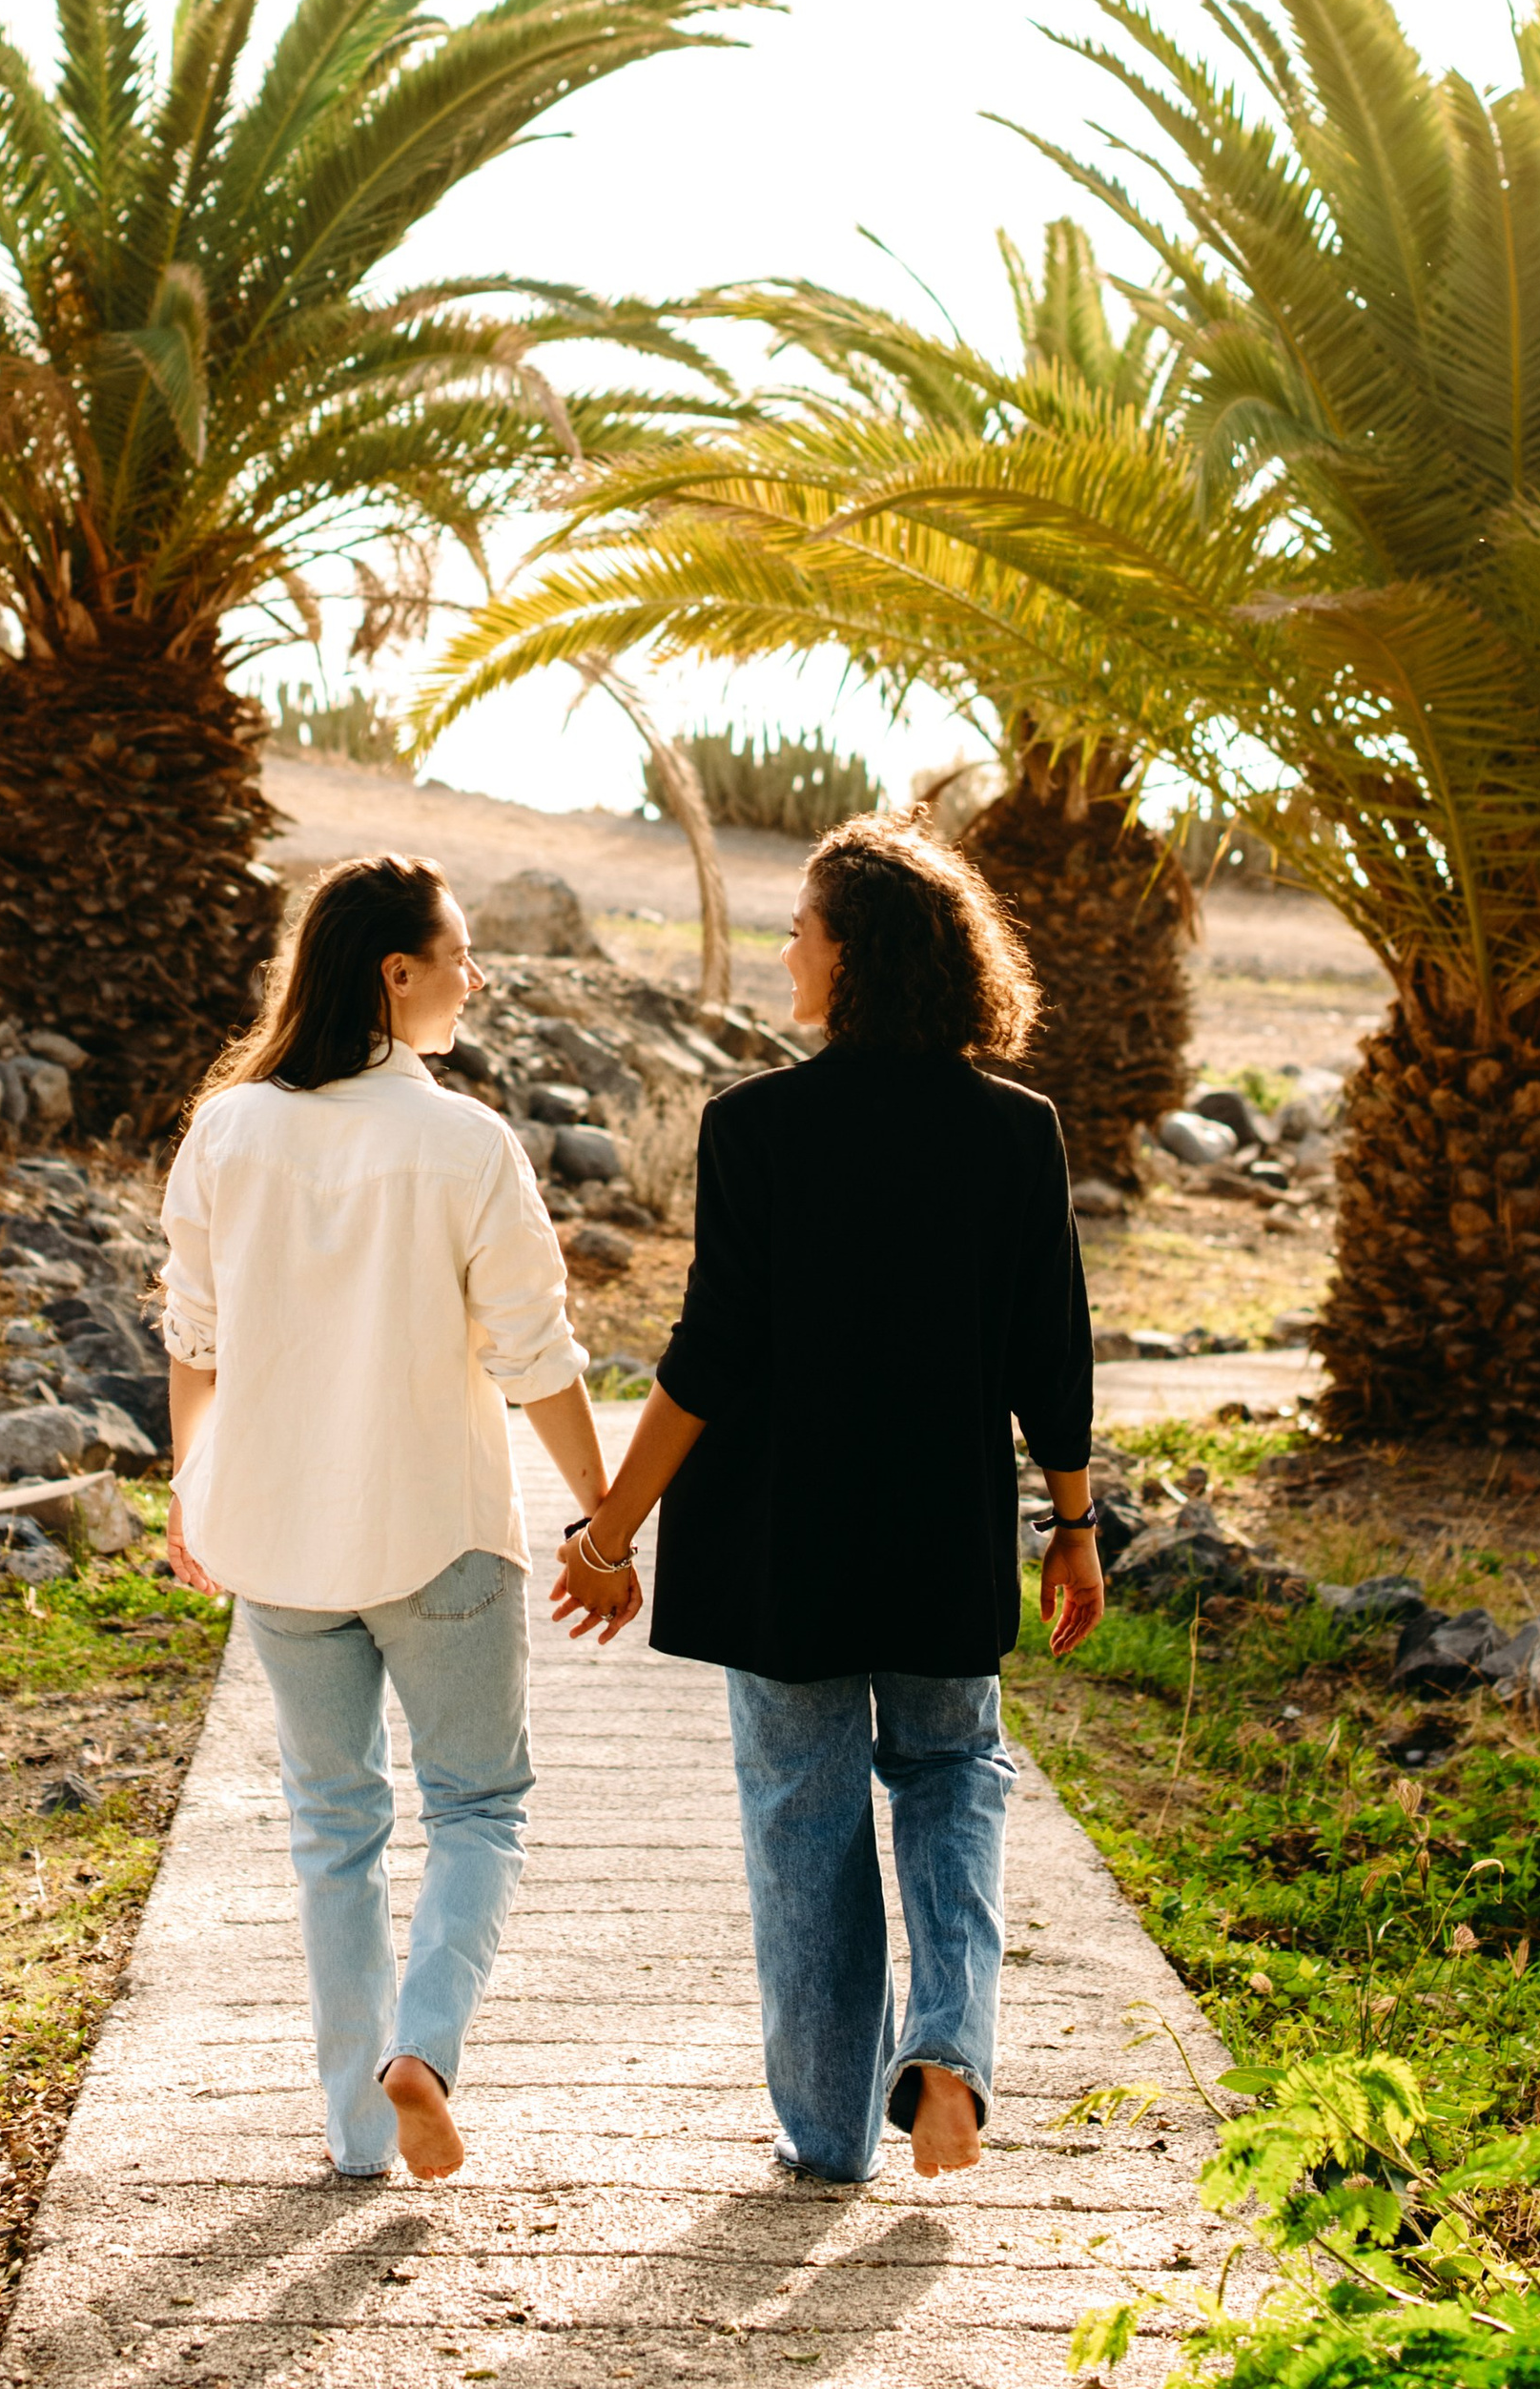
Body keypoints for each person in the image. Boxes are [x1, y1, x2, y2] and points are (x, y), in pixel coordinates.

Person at [550, 812, 1104, 2185]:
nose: (784, 949)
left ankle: (824, 2141)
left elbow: (711, 1356)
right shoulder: (1015, 1132)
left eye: (800, 927)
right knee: (952, 1777)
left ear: (850, 955)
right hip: (940, 1533)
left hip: (779, 1545)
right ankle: (952, 2057)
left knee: (802, 1816)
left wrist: (612, 1528)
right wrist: (1075, 1529)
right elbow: (1055, 1348)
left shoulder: (755, 1127)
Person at [159, 852, 631, 2186]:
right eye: (460, 954)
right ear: (396, 971)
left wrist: (189, 1493)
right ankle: (424, 2047)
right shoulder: (465, 1143)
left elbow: (193, 1339)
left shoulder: (226, 1130)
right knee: (478, 1806)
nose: (473, 980)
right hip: (442, 1534)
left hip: (279, 1542)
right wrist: (605, 1517)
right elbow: (538, 1357)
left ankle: (359, 2136)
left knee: (334, 1827)